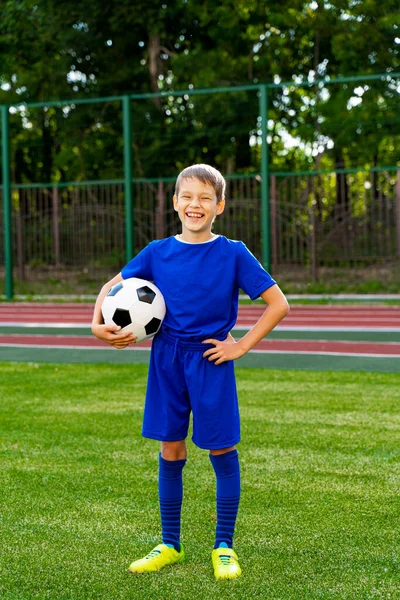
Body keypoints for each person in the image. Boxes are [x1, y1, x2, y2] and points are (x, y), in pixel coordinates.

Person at [91, 164, 289, 580]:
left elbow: (278, 304)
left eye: (204, 198)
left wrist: (239, 346)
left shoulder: (233, 252)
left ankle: (224, 546)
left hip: (210, 360)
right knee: (171, 449)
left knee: (221, 449)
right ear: (175, 202)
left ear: (219, 205)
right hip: (166, 360)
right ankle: (169, 543)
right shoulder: (157, 252)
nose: (194, 205)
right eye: (187, 197)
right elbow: (111, 288)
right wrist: (96, 325)